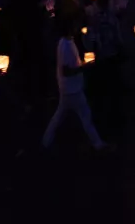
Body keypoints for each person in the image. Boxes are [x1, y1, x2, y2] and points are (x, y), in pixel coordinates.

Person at [41, 17, 108, 151]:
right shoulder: (65, 46)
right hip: (72, 89)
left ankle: (45, 141)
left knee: (60, 115)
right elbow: (67, 71)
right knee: (85, 116)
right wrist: (85, 67)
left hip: (68, 88)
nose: (77, 27)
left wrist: (81, 64)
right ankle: (98, 144)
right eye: (75, 25)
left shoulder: (65, 42)